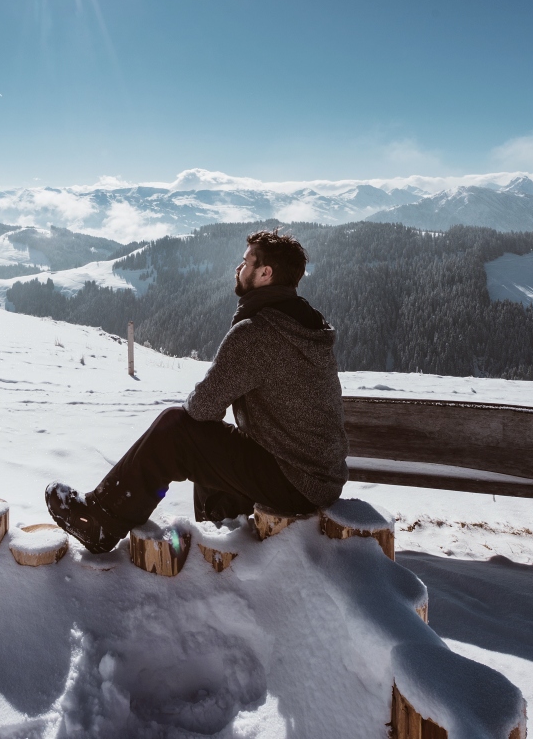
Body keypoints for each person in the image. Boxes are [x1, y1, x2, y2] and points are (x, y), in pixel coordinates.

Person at [46, 230, 349, 553]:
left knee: (177, 428)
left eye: (246, 262)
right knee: (207, 441)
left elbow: (202, 408)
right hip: (316, 475)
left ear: (265, 273)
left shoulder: (259, 332)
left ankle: (101, 520)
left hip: (295, 479)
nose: (238, 268)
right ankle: (218, 531)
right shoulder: (302, 322)